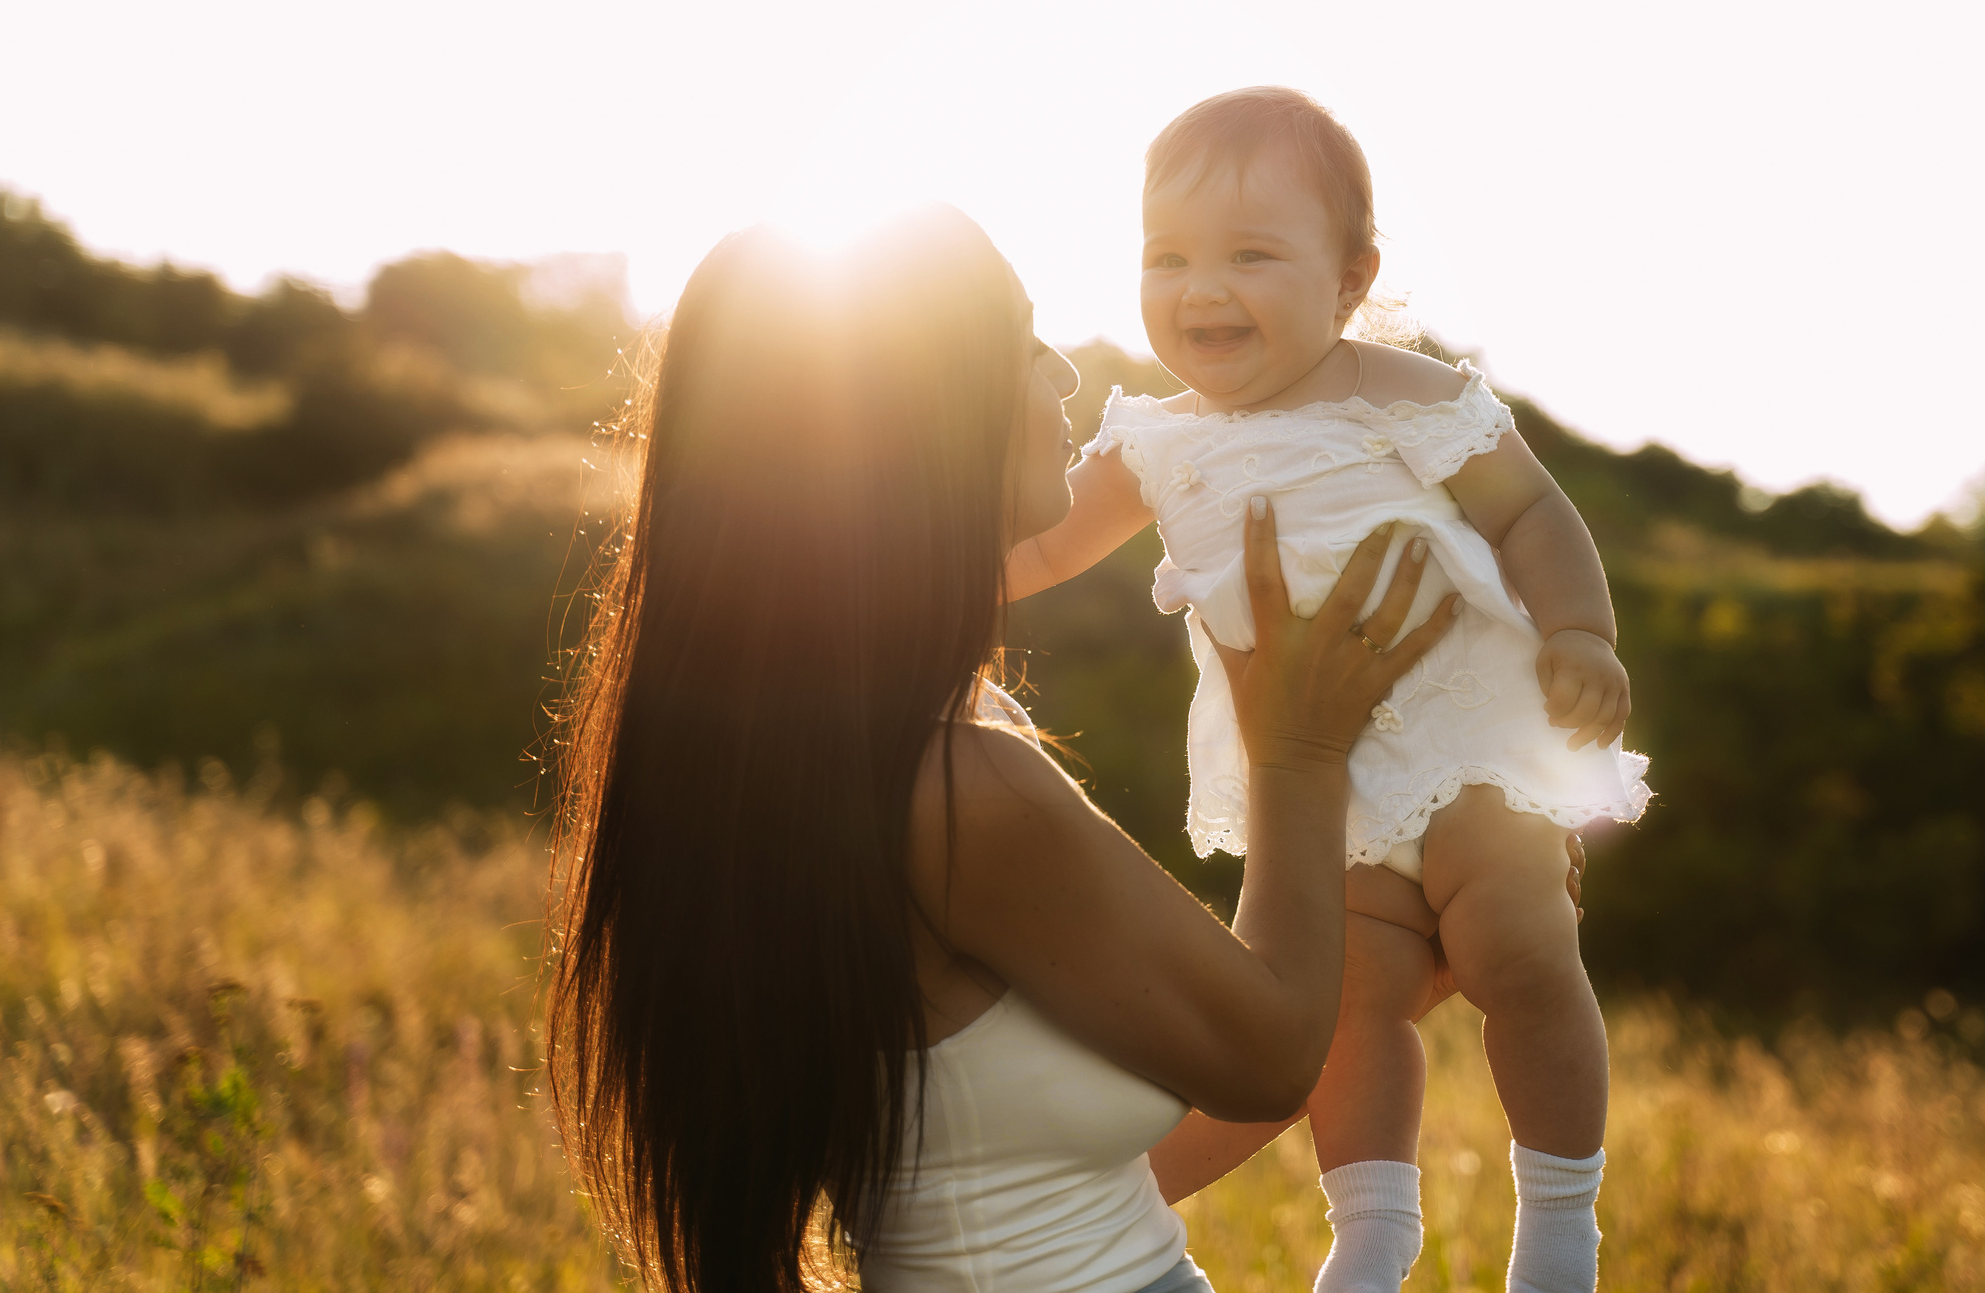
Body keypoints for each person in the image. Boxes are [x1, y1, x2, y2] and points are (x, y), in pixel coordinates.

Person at [545, 207, 1457, 1293]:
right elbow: (1265, 1058)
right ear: (920, 416)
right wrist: (1296, 756)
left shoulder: (884, 750)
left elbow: (1081, 1174)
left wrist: (1387, 973)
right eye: (1021, 343)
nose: (1062, 373)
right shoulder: (957, 789)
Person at [1007, 86, 1650, 1293]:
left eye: (1251, 254)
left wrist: (1581, 632)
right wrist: (895, 587)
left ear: (1348, 278)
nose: (1202, 288)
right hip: (1319, 786)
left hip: (1472, 736)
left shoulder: (1400, 395)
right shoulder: (1151, 441)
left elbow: (1528, 511)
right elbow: (1034, 552)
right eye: (1169, 256)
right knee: (1344, 1006)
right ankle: (1371, 1234)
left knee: (1519, 945)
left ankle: (1562, 1229)